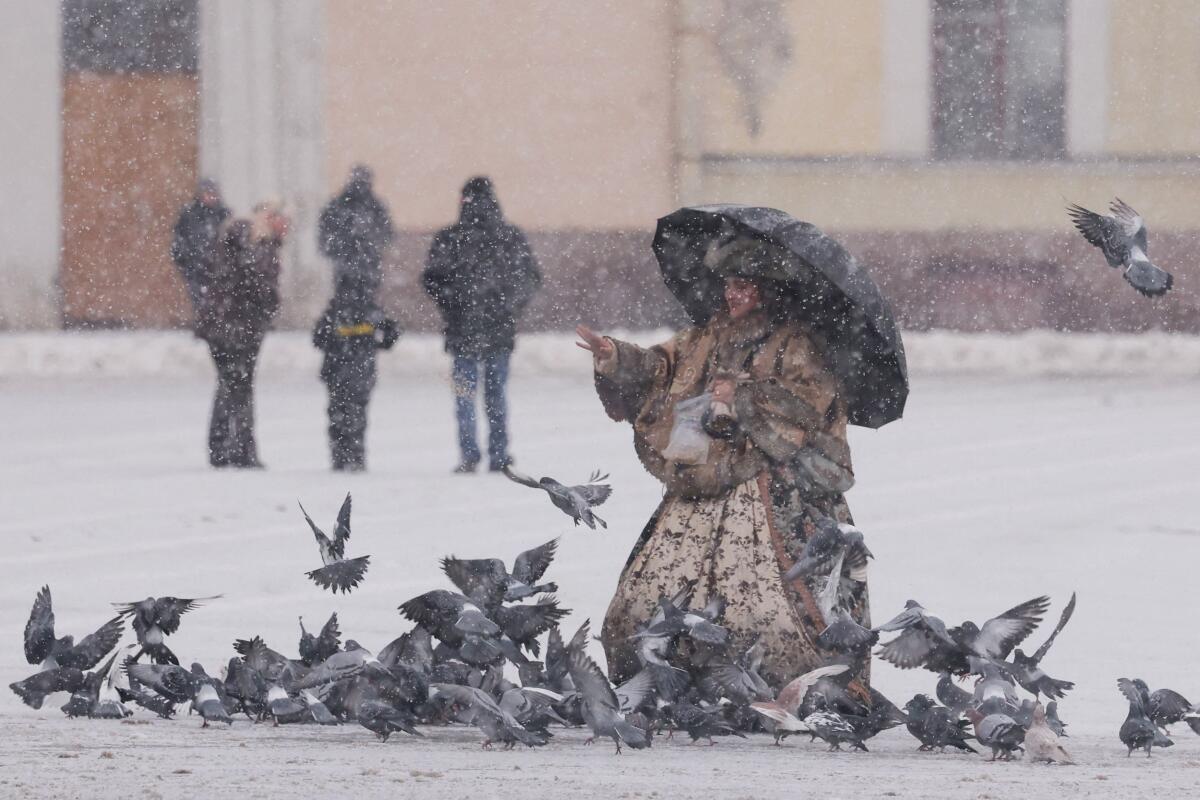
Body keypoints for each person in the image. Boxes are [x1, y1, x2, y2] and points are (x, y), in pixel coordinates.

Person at [577, 266, 864, 689]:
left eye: (743, 286)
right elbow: (662, 367)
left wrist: (743, 397)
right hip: (701, 483)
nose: (732, 295)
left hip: (770, 486)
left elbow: (810, 404)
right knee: (646, 601)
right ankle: (675, 680)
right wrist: (615, 355)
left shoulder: (794, 343)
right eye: (728, 286)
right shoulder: (706, 336)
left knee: (765, 607)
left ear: (767, 291)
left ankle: (778, 688)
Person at [422, 176, 542, 473]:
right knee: (496, 394)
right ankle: (499, 455)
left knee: (464, 395)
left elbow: (431, 280)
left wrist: (451, 305)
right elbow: (530, 278)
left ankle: (469, 454)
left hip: (462, 330)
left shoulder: (450, 238)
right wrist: (510, 307)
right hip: (499, 329)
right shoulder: (509, 236)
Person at [193, 203, 287, 468]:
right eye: (282, 219)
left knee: (230, 386)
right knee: (238, 388)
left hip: (228, 326)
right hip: (237, 329)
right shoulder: (256, 247)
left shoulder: (237, 242)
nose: (287, 226)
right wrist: (267, 305)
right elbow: (257, 286)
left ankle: (226, 448)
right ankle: (238, 450)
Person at [312, 271, 401, 472]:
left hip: (336, 371)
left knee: (337, 414)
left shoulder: (334, 310)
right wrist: (376, 344)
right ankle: (355, 455)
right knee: (358, 415)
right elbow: (392, 333)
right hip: (362, 371)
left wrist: (337, 343)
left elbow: (317, 339)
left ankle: (339, 456)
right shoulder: (371, 310)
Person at [318, 165, 394, 294]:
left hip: (357, 262)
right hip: (358, 262)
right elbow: (386, 233)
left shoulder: (341, 204)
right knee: (356, 297)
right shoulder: (372, 206)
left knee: (347, 297)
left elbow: (386, 233)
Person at [171, 178, 230, 309]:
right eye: (207, 193)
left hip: (219, 269)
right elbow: (179, 239)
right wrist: (185, 260)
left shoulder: (224, 214)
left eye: (213, 193)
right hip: (195, 268)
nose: (211, 197)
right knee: (201, 302)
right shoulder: (188, 214)